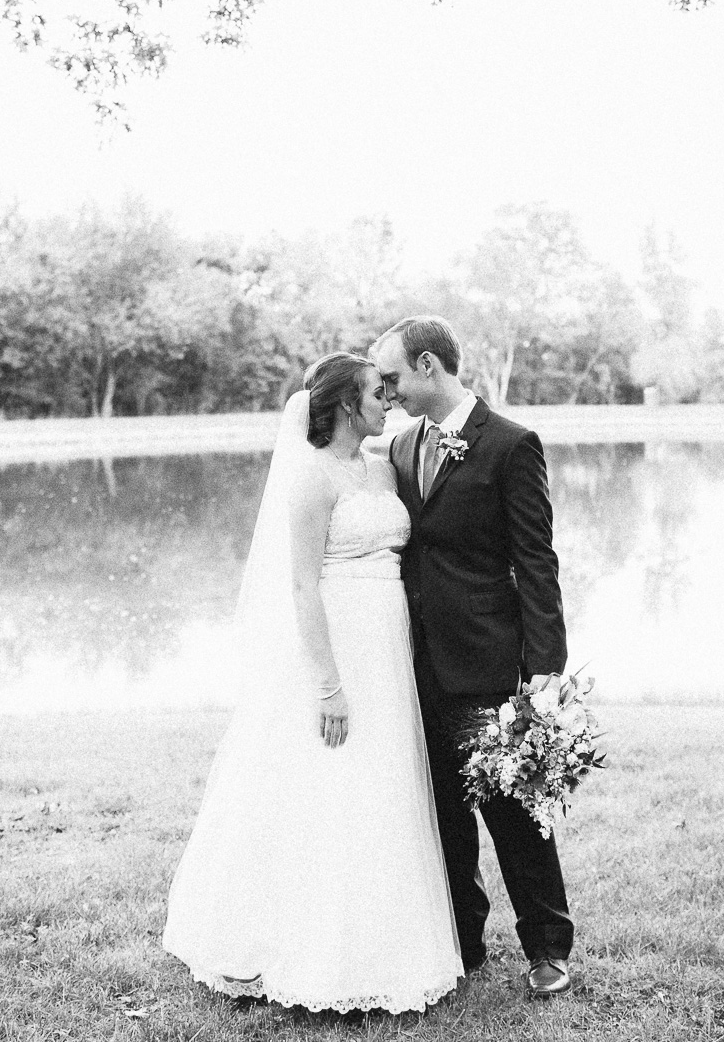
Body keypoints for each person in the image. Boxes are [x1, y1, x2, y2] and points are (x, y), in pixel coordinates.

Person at [161, 352, 463, 1014]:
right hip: (340, 647)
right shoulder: (309, 478)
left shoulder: (382, 465)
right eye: (376, 392)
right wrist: (328, 683)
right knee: (330, 786)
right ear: (346, 404)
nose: (387, 398)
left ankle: (387, 945)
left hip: (389, 651)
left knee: (384, 783)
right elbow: (300, 585)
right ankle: (316, 954)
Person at [371, 314, 576, 997]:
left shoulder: (512, 445)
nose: (387, 389)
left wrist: (545, 665)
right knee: (441, 814)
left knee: (512, 812)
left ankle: (547, 947)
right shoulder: (399, 447)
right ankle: (462, 942)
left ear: (429, 366)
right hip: (411, 663)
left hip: (487, 661)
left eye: (394, 375)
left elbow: (536, 560)